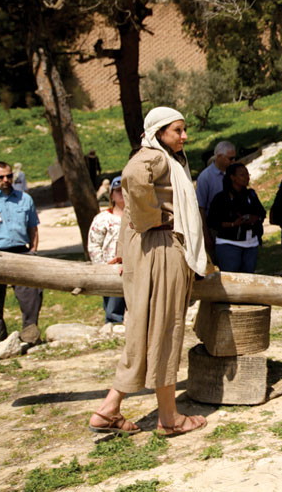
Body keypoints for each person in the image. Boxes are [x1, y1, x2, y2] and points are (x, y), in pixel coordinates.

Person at [89, 106, 208, 437]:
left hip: (150, 252)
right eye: (178, 130)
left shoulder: (166, 158)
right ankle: (168, 419)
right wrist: (154, 218)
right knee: (165, 329)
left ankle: (109, 409)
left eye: (184, 130)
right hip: (162, 251)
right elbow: (132, 176)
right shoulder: (153, 157)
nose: (184, 136)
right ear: (158, 132)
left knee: (145, 331)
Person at [0, 161, 41, 346]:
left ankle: (30, 337)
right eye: (1, 177)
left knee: (31, 297)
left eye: (9, 176)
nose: (6, 180)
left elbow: (33, 227)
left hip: (20, 252)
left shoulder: (25, 198)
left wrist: (33, 250)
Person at [207, 163, 265, 273]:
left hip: (251, 243)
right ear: (232, 177)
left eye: (247, 174)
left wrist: (255, 218)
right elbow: (212, 222)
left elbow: (261, 213)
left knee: (248, 278)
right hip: (228, 243)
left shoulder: (251, 195)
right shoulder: (221, 198)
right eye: (242, 175)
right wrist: (233, 224)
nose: (246, 177)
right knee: (232, 278)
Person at [87, 176, 126, 325]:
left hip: (132, 265)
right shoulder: (102, 218)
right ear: (111, 195)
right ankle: (113, 323)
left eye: (124, 190)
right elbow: (94, 245)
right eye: (117, 191)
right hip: (110, 266)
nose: (121, 193)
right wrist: (102, 266)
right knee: (113, 303)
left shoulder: (137, 216)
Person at [196, 140, 236, 253]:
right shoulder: (205, 177)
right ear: (219, 157)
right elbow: (201, 208)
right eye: (230, 158)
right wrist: (206, 236)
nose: (233, 161)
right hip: (215, 227)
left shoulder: (234, 173)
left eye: (234, 158)